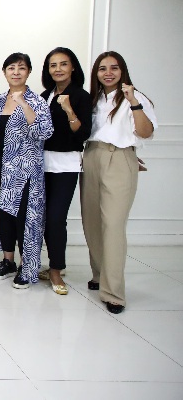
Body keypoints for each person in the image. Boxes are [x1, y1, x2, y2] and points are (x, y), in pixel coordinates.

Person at [81, 51, 156, 314]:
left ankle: (114, 293)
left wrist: (134, 101)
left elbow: (145, 132)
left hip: (119, 157)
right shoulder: (94, 99)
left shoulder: (134, 98)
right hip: (91, 155)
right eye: (102, 69)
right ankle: (99, 274)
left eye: (114, 68)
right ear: (96, 73)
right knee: (91, 222)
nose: (108, 73)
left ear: (123, 70)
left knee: (113, 225)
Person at [0, 53, 53, 289]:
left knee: (26, 219)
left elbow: (43, 132)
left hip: (25, 172)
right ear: (4, 72)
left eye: (21, 68)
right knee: (5, 217)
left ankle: (28, 265)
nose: (16, 72)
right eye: (11, 68)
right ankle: (8, 261)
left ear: (28, 72)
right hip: (0, 169)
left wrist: (23, 104)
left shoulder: (37, 101)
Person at [38, 47, 93, 295]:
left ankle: (57, 269)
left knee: (56, 218)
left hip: (66, 164)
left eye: (63, 64)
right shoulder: (45, 95)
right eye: (53, 65)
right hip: (41, 163)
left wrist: (69, 109)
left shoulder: (81, 96)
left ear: (73, 67)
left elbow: (82, 134)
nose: (58, 69)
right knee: (41, 218)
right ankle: (44, 265)